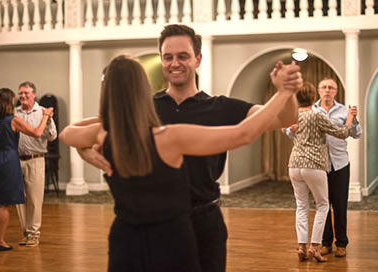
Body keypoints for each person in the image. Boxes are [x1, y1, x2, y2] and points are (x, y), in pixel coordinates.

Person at [60, 54, 300, 272]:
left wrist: (85, 150)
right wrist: (282, 93)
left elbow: (68, 133)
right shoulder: (169, 138)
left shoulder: (104, 133)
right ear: (143, 90)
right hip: (170, 240)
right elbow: (242, 134)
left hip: (125, 239)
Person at [286, 82, 355, 262]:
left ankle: (301, 247)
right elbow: (341, 132)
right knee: (323, 205)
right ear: (312, 97)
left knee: (301, 206)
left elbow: (284, 128)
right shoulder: (316, 115)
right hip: (314, 165)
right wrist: (349, 119)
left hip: (294, 164)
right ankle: (315, 247)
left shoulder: (292, 115)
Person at [0, 88, 52, 252]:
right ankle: (0, 241)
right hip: (8, 161)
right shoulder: (13, 120)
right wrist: (45, 116)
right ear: (9, 102)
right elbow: (37, 133)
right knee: (5, 205)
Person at [15, 81, 57, 247]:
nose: (23, 96)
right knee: (19, 199)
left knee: (34, 199)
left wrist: (47, 121)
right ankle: (26, 233)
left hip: (36, 159)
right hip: (17, 160)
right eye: (21, 93)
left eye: (26, 93)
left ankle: (34, 234)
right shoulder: (14, 113)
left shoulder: (42, 112)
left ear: (34, 95)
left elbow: (53, 136)